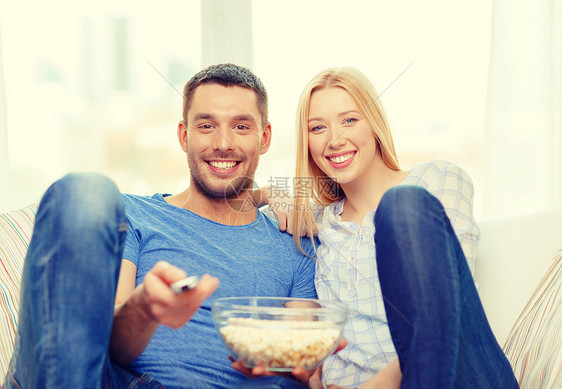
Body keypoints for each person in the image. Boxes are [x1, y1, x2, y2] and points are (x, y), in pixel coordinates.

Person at [3, 64, 320, 389]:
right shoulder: (134, 215)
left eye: (240, 126)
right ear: (184, 136)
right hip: (106, 380)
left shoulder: (296, 245)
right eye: (207, 125)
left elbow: (299, 362)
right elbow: (109, 347)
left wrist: (287, 366)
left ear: (264, 138)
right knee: (86, 190)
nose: (223, 143)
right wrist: (143, 310)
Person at [267, 67, 519, 388]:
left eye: (349, 120)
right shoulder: (317, 224)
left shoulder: (436, 181)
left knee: (400, 205)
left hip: (460, 374)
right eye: (318, 128)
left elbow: (449, 310)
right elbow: (233, 192)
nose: (335, 139)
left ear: (374, 124)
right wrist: (270, 192)